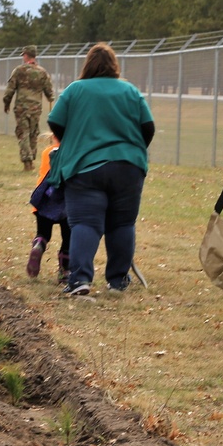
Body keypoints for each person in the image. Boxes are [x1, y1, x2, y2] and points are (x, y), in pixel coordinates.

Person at [46, 43, 155, 296]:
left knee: (85, 223)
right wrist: (131, 148)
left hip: (85, 168)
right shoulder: (130, 90)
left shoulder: (75, 90)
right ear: (114, 66)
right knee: (122, 223)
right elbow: (148, 127)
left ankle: (80, 280)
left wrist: (74, 143)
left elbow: (55, 122)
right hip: (128, 167)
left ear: (88, 65)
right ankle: (118, 281)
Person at [3, 44, 55, 171]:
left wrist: (6, 103)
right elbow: (49, 92)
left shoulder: (19, 71)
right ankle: (31, 159)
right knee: (33, 133)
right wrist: (50, 99)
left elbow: (10, 90)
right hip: (36, 108)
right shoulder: (42, 72)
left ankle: (27, 160)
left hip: (21, 108)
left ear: (26, 55)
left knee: (23, 133)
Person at [27, 134, 70, 282]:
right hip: (66, 202)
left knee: (43, 233)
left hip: (45, 198)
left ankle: (39, 245)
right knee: (68, 238)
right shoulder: (73, 154)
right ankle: (65, 271)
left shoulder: (47, 152)